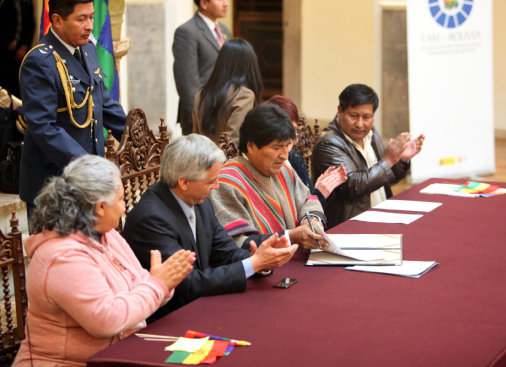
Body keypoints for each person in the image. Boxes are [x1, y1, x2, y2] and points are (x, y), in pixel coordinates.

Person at [12, 155, 195, 366]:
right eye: (120, 199)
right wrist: (158, 284)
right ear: (100, 207)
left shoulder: (108, 235)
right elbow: (107, 319)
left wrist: (163, 281)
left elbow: (140, 283)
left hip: (121, 352)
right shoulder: (62, 256)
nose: (123, 206)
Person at [123, 134, 297, 321]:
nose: (217, 186)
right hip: (169, 319)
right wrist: (253, 264)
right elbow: (186, 283)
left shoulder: (199, 201)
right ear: (184, 182)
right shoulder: (151, 219)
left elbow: (225, 252)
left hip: (200, 304)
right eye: (210, 181)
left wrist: (261, 262)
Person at [18, 0, 127, 217]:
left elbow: (102, 102)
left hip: (89, 183)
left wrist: (134, 134)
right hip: (55, 186)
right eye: (81, 19)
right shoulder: (40, 62)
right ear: (57, 20)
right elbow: (43, 127)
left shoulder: (87, 48)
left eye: (91, 17)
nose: (89, 25)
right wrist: (88, 165)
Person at [210, 104, 328, 249]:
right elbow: (235, 243)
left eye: (288, 145)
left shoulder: (283, 170)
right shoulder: (227, 182)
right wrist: (289, 237)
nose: (284, 156)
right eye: (276, 148)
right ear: (251, 146)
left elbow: (308, 200)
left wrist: (311, 221)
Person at [311, 84, 425, 228]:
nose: (360, 124)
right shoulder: (328, 143)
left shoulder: (370, 134)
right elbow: (353, 186)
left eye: (366, 117)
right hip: (349, 225)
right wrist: (388, 161)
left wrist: (400, 160)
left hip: (381, 215)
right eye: (354, 116)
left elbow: (381, 180)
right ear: (340, 111)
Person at [264, 95, 347, 208]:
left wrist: (321, 190)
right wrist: (319, 194)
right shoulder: (263, 163)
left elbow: (310, 209)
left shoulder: (294, 158)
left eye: (295, 130)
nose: (292, 137)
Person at [173, 0, 231, 135]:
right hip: (202, 118)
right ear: (204, 3)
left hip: (224, 113)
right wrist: (201, 117)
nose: (226, 3)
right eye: (220, 0)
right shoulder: (187, 32)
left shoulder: (224, 30)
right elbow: (187, 82)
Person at [192, 38, 262, 146]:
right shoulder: (244, 95)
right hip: (228, 161)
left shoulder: (202, 93)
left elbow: (196, 138)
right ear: (250, 64)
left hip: (202, 158)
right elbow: (233, 142)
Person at [0, 0, 35, 98]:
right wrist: (6, 42)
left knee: (18, 84)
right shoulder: (5, 3)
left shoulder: (26, 3)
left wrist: (24, 46)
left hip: (20, 51)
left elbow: (31, 26)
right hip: (4, 52)